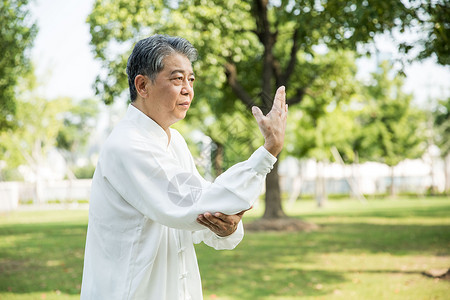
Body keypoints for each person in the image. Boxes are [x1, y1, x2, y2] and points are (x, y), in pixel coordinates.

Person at [80, 34, 287, 300]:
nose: (188, 88)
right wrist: (267, 152)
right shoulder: (127, 145)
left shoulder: (174, 140)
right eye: (177, 79)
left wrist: (225, 225)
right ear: (142, 85)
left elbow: (203, 207)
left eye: (191, 79)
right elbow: (192, 206)